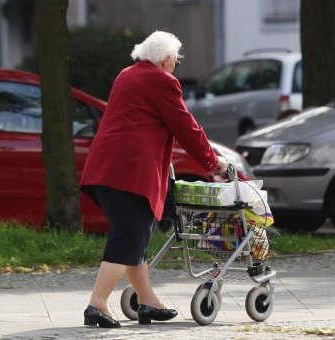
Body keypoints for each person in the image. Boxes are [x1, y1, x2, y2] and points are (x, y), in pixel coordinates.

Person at [80, 31, 228, 328]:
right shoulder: (162, 80)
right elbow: (186, 126)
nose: (176, 65)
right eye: (176, 59)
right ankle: (97, 303)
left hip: (106, 168)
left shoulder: (127, 74)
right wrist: (214, 162)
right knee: (128, 236)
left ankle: (148, 303)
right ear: (167, 58)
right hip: (131, 173)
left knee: (135, 238)